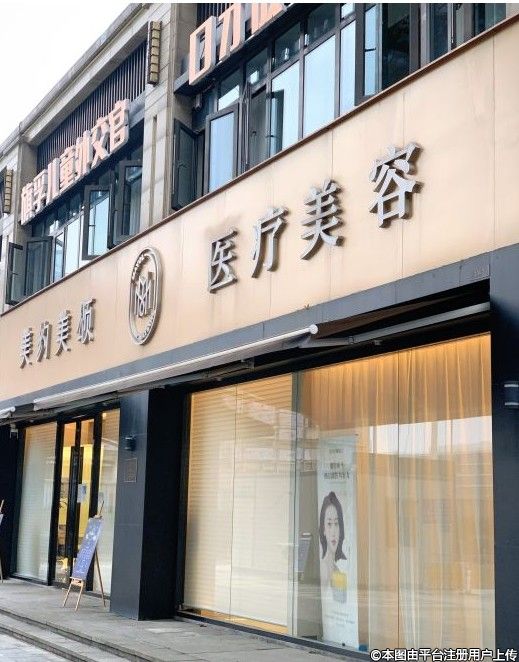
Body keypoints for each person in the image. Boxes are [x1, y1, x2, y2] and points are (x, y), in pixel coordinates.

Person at [319, 491, 347, 588]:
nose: (333, 532)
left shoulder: (336, 570)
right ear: (323, 529)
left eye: (336, 524)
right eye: (329, 524)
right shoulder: (323, 569)